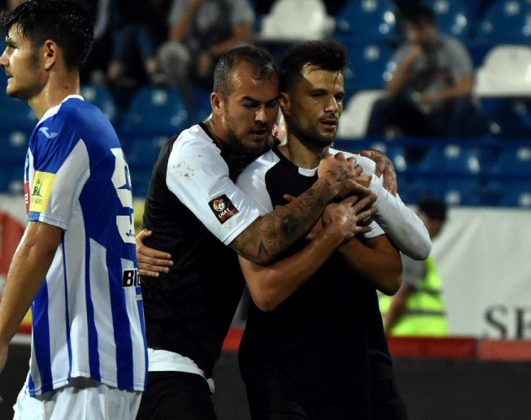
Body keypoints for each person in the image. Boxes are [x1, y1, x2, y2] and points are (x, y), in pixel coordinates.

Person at [136, 44, 379, 420]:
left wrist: (371, 161)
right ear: (217, 103)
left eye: (270, 105)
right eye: (250, 104)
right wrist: (326, 191)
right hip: (158, 359)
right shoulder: (193, 156)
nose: (263, 117)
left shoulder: (254, 144)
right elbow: (259, 243)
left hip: (188, 361)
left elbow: (308, 149)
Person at [0, 2, 147, 419]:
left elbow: (38, 243)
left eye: (12, 46)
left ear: (48, 54)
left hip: (88, 366)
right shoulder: (88, 122)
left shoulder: (62, 127)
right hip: (65, 364)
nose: (2, 59)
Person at [236, 39, 414, 419]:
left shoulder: (355, 172)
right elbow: (264, 293)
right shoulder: (256, 180)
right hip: (285, 375)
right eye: (317, 94)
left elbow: (391, 275)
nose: (332, 107)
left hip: (362, 366)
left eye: (338, 95)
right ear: (285, 101)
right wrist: (332, 234)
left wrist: (340, 238)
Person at [366, 4, 483, 138]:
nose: (417, 34)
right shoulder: (406, 51)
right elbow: (391, 91)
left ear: (433, 27)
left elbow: (466, 87)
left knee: (463, 104)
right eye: (412, 29)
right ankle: (369, 152)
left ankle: (452, 150)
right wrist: (409, 62)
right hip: (417, 113)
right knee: (381, 106)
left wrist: (437, 97)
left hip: (445, 110)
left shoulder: (452, 48)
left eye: (421, 29)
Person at [156, 0, 255, 116]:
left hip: (221, 55)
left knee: (243, 51)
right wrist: (193, 5)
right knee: (169, 52)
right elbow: (175, 37)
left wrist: (210, 53)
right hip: (192, 56)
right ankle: (184, 106)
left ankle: (236, 109)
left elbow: (244, 36)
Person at [381, 199, 449, 337]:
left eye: (439, 221)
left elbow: (402, 296)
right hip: (419, 336)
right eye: (432, 219)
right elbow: (402, 295)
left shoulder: (414, 251)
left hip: (411, 335)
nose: (437, 225)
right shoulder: (414, 251)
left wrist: (385, 332)